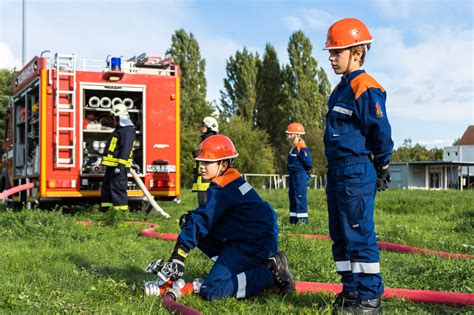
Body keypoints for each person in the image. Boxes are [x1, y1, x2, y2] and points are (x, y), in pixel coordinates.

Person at [150, 135, 295, 301]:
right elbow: (206, 219)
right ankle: (233, 269)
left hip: (253, 246)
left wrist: (178, 255)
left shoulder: (223, 188)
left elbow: (204, 219)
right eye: (200, 162)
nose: (201, 167)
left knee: (212, 290)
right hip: (246, 239)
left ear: (223, 164)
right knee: (189, 221)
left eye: (207, 163)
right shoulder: (230, 180)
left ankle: (270, 273)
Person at [323, 18, 393, 314]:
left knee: (358, 233)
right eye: (330, 52)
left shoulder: (366, 87)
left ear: (358, 53)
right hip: (337, 171)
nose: (331, 58)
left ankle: (369, 296)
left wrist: (383, 164)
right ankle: (351, 290)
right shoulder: (340, 89)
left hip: (355, 170)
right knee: (340, 234)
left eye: (336, 52)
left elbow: (381, 131)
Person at [100, 103, 136, 211]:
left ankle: (120, 214)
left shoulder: (128, 130)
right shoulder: (120, 129)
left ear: (120, 116)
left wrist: (120, 166)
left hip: (119, 167)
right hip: (112, 166)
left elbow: (126, 149)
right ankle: (106, 212)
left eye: (114, 117)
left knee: (118, 190)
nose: (113, 119)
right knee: (107, 189)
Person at [286, 122, 313, 224]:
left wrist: (305, 172)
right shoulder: (293, 146)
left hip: (300, 175)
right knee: (293, 197)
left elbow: (308, 162)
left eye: (289, 133)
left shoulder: (301, 146)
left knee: (299, 197)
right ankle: (293, 221)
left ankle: (302, 222)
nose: (287, 135)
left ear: (296, 135)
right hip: (293, 175)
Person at [191, 116, 219, 208]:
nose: (201, 128)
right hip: (205, 182)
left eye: (203, 126)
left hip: (206, 183)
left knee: (205, 208)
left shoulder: (210, 140)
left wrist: (199, 153)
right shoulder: (209, 140)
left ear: (209, 127)